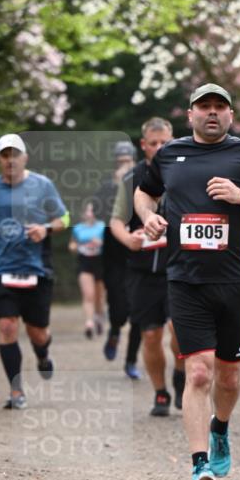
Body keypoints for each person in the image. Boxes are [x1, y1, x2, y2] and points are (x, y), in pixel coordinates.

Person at [133, 83, 240, 480]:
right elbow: (144, 192)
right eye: (205, 107)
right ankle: (199, 465)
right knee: (198, 370)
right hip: (185, 279)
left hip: (234, 280)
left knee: (230, 376)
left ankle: (221, 426)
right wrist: (148, 216)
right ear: (191, 115)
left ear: (231, 116)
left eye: (220, 107)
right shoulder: (169, 154)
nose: (212, 113)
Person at [0, 133, 67, 409]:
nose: (10, 160)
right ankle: (16, 390)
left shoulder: (42, 185)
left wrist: (46, 229)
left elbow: (64, 218)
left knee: (37, 332)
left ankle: (42, 354)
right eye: (5, 155)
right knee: (7, 326)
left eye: (15, 154)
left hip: (36, 269)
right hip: (0, 268)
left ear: (24, 158)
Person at [110, 117, 186, 416]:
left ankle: (180, 376)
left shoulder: (186, 172)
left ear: (173, 140)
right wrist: (127, 238)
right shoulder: (132, 177)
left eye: (164, 142)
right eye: (153, 143)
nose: (159, 148)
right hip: (141, 270)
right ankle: (160, 392)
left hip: (178, 267)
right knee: (151, 334)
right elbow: (116, 219)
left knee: (179, 331)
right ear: (143, 145)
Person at [92, 140, 142, 378]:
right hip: (113, 257)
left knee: (139, 312)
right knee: (119, 308)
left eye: (128, 161)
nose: (125, 165)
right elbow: (101, 215)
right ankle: (114, 330)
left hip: (140, 256)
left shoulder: (143, 181)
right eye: (120, 162)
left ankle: (131, 360)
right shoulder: (105, 186)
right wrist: (117, 185)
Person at [69, 201, 105, 338]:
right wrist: (74, 247)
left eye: (93, 210)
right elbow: (72, 243)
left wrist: (100, 243)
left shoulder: (102, 227)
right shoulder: (78, 228)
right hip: (84, 263)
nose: (91, 213)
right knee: (88, 294)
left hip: (100, 263)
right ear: (84, 213)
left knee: (99, 297)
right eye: (88, 211)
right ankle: (89, 323)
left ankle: (99, 318)